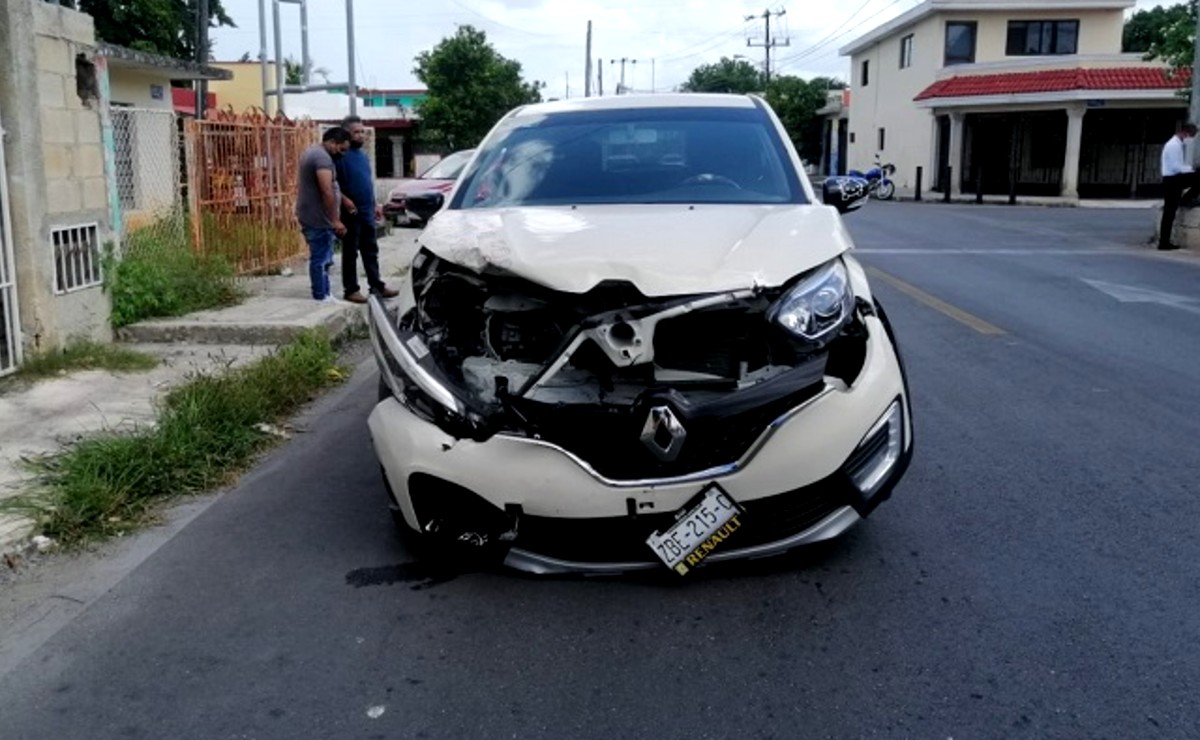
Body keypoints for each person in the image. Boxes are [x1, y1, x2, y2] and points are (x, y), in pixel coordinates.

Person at [335, 116, 399, 303]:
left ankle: (377, 286)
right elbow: (334, 185)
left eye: (362, 131)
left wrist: (375, 205)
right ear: (346, 133)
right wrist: (345, 200)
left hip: (367, 211)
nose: (361, 135)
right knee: (350, 252)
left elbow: (367, 183)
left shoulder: (363, 156)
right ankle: (351, 289)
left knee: (371, 250)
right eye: (357, 132)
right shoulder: (340, 157)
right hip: (350, 213)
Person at [296, 127, 351, 301]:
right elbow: (326, 190)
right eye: (341, 149)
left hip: (315, 215)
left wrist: (343, 200)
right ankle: (321, 295)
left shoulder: (315, 153)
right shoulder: (322, 159)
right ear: (332, 142)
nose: (342, 154)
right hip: (319, 218)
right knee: (321, 258)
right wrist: (335, 220)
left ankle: (325, 293)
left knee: (324, 257)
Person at [1158, 122, 1200, 251]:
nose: (1191, 139)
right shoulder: (1173, 146)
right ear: (1185, 133)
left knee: (1170, 212)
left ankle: (1164, 241)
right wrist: (1191, 169)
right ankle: (1164, 242)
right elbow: (1176, 167)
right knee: (1169, 212)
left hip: (1173, 179)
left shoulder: (1177, 144)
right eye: (1191, 136)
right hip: (1172, 180)